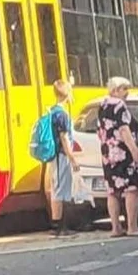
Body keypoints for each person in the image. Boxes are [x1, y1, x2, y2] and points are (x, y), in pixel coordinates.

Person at [97, 76, 138, 237]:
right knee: (132, 188)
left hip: (108, 154)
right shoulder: (120, 106)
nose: (127, 93)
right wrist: (134, 151)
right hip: (123, 153)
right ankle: (132, 227)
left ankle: (115, 227)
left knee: (113, 190)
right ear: (116, 90)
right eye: (124, 89)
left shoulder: (102, 105)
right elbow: (124, 130)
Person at [48, 79, 79, 237]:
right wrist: (72, 157)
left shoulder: (51, 111)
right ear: (67, 94)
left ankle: (56, 224)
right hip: (62, 155)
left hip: (54, 156)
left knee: (56, 189)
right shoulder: (62, 115)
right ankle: (61, 227)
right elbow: (64, 137)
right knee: (62, 190)